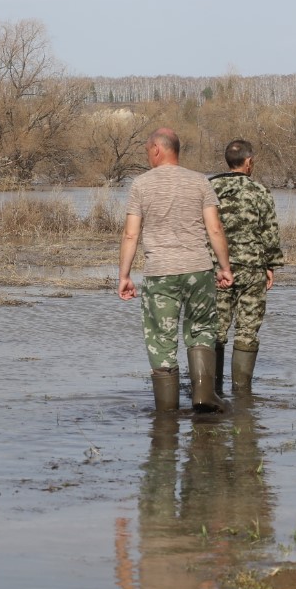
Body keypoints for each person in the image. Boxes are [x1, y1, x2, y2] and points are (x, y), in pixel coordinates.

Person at [119, 127, 234, 412]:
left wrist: (124, 276)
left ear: (157, 149)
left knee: (161, 339)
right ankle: (204, 395)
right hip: (198, 269)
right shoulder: (200, 182)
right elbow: (215, 228)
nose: (147, 155)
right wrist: (225, 267)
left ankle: (167, 413)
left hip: (160, 272)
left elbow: (131, 235)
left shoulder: (141, 185)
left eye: (147, 150)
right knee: (202, 329)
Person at [209, 139, 284, 395]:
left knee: (215, 329)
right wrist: (271, 265)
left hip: (217, 268)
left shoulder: (210, 188)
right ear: (249, 162)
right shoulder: (260, 191)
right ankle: (242, 394)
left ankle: (212, 389)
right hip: (252, 267)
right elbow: (270, 233)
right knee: (247, 330)